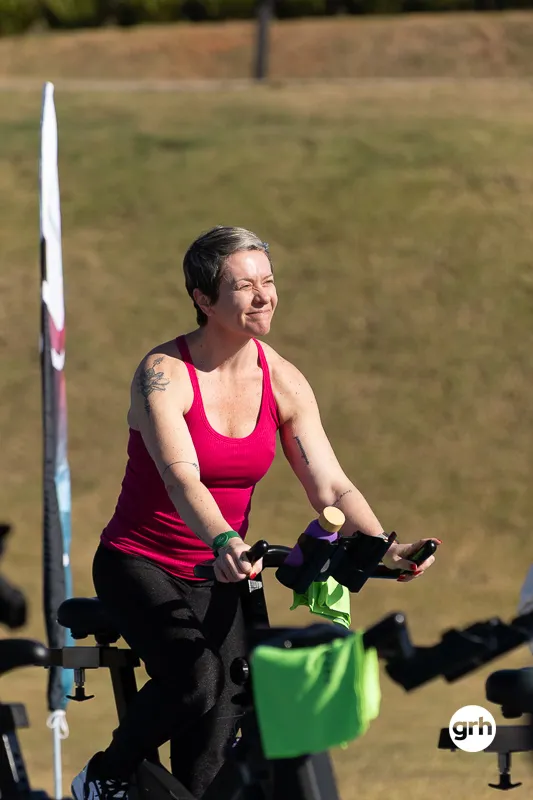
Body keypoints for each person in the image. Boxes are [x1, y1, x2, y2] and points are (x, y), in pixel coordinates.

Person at [71, 226, 439, 800]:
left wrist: (383, 547)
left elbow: (331, 485)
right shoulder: (164, 374)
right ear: (202, 298)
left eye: (268, 281)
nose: (264, 296)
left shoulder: (282, 379)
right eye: (244, 286)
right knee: (196, 681)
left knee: (220, 737)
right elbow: (180, 476)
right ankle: (105, 775)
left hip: (224, 573)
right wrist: (223, 539)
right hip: (141, 561)